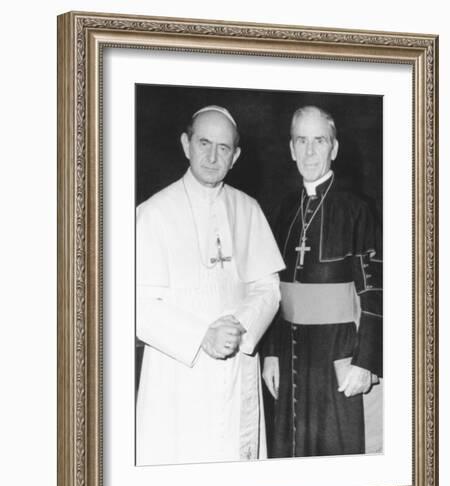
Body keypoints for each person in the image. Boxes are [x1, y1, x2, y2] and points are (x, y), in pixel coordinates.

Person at [136, 105, 285, 466]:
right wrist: (202, 334)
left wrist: (239, 327)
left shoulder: (248, 209)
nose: (212, 156)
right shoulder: (153, 213)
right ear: (186, 144)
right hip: (177, 375)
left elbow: (268, 288)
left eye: (223, 148)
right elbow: (134, 303)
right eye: (204, 143)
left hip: (237, 367)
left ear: (235, 157)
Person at [263, 105, 382, 457]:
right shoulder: (283, 209)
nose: (310, 151)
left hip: (338, 353)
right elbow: (273, 287)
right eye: (302, 140)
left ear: (334, 148)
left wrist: (366, 361)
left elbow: (375, 290)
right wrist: (271, 355)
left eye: (319, 141)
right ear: (291, 148)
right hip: (289, 352)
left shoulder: (357, 208)